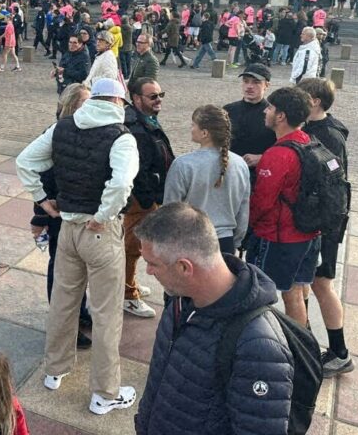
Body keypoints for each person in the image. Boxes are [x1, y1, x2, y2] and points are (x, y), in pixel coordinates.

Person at [16, 77, 140, 416]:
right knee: (106, 314)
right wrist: (104, 214)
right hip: (99, 230)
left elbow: (25, 161)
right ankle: (105, 392)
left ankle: (54, 371)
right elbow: (122, 183)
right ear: (118, 102)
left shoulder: (63, 127)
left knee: (63, 302)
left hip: (68, 226)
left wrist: (42, 200)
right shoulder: (121, 136)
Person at [134, 202, 294, 435]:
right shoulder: (180, 303)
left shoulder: (258, 346)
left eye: (152, 263)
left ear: (183, 267)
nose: (147, 271)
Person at [247, 86, 319, 327]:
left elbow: (262, 202)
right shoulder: (307, 141)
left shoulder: (277, 154)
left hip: (279, 237)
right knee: (294, 294)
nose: (265, 111)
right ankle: (301, 348)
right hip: (307, 233)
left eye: (269, 107)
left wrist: (248, 228)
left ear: (281, 116)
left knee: (259, 296)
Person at [297, 77, 354, 377]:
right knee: (304, 282)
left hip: (323, 226)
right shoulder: (309, 127)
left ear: (315, 101)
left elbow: (333, 189)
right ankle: (305, 344)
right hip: (312, 223)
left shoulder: (330, 135)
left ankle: (339, 352)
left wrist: (323, 227)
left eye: (302, 95)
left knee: (321, 284)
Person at [30, 83, 94, 349]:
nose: (91, 108)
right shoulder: (55, 133)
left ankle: (79, 311)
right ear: (70, 106)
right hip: (58, 214)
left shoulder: (87, 130)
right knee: (61, 270)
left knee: (78, 268)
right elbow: (40, 176)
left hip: (79, 212)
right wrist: (40, 216)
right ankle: (63, 325)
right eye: (85, 103)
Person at [164, 105, 250, 256]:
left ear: (204, 133)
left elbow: (170, 209)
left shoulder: (184, 164)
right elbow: (243, 209)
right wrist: (236, 241)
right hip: (225, 242)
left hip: (191, 240)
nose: (191, 128)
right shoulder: (240, 164)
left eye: (193, 125)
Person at [121, 77, 174, 319]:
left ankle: (128, 283)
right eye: (153, 96)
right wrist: (148, 201)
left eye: (161, 94)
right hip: (139, 200)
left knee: (135, 247)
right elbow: (137, 173)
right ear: (136, 98)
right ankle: (127, 294)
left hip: (146, 196)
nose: (159, 100)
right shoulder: (137, 128)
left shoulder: (144, 120)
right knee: (131, 248)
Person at [224, 63, 277, 185]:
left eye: (256, 82)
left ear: (266, 85)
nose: (249, 86)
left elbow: (284, 146)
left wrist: (263, 158)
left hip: (260, 176)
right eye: (246, 81)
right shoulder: (228, 110)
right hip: (230, 174)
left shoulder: (273, 113)